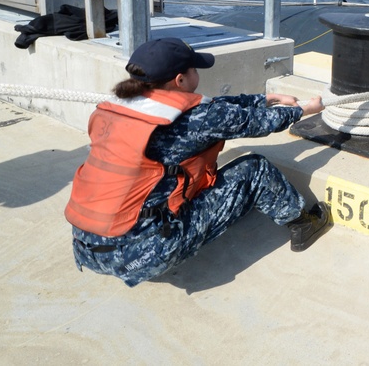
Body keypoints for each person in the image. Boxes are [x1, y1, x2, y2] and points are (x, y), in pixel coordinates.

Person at [64, 37, 332, 287]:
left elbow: (214, 108)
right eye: (195, 69)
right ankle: (303, 223)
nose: (198, 74)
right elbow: (255, 123)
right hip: (143, 255)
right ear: (180, 80)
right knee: (255, 170)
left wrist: (266, 99)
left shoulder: (118, 107)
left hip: (86, 246)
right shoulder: (199, 119)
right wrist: (302, 110)